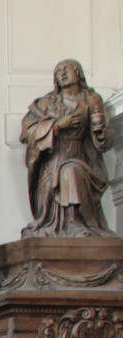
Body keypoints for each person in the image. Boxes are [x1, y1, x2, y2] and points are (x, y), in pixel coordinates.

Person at [20, 58, 115, 238]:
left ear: (78, 73)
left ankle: (78, 224)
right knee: (66, 171)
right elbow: (27, 131)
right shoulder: (47, 103)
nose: (62, 73)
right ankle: (71, 226)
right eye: (58, 71)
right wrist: (57, 126)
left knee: (70, 171)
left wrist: (101, 134)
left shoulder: (91, 99)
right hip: (53, 159)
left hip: (81, 157)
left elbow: (104, 139)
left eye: (67, 69)